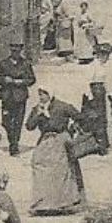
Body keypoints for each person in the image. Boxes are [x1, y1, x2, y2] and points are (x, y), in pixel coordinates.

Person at [26, 88, 85, 216]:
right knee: (40, 167)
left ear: (51, 94)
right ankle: (43, 203)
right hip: (45, 141)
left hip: (60, 140)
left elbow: (80, 117)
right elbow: (29, 126)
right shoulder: (37, 109)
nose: (42, 97)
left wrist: (72, 128)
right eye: (40, 94)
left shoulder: (62, 106)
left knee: (61, 171)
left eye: (45, 94)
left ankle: (62, 203)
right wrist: (38, 115)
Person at [0, 42, 36, 156]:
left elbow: (31, 79)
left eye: (17, 51)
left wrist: (19, 82)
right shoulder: (4, 63)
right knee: (6, 121)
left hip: (20, 97)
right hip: (7, 97)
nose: (15, 53)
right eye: (13, 51)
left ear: (21, 51)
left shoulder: (26, 63)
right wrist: (4, 80)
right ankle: (12, 139)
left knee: (18, 121)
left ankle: (14, 144)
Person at [78, 52, 112, 157]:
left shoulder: (103, 67)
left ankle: (103, 143)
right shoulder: (93, 66)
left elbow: (105, 81)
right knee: (94, 118)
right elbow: (86, 81)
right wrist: (90, 97)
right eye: (105, 56)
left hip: (100, 92)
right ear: (100, 55)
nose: (106, 58)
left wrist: (110, 94)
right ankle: (94, 143)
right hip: (93, 93)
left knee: (101, 118)